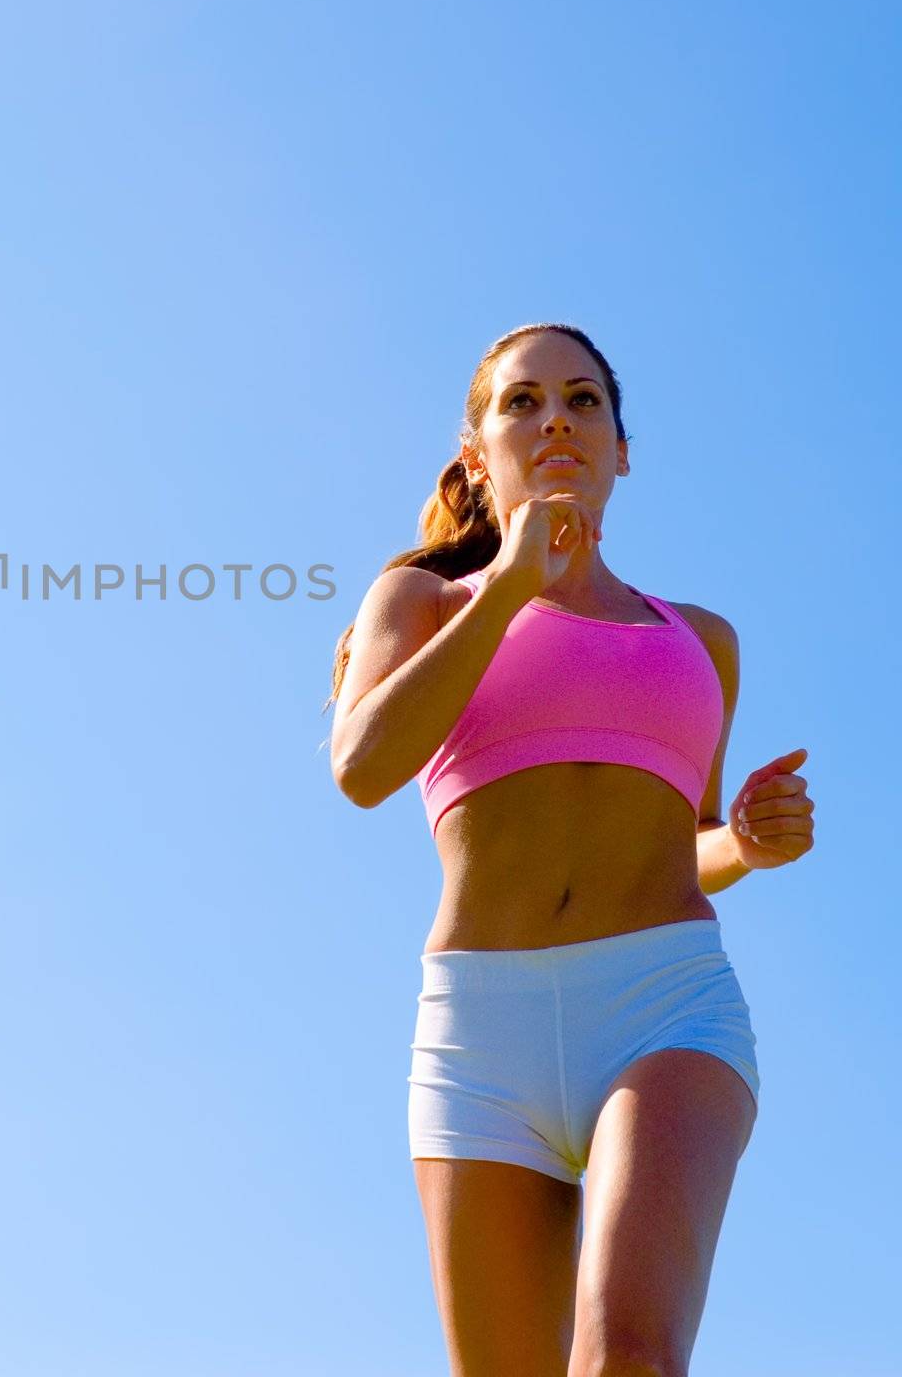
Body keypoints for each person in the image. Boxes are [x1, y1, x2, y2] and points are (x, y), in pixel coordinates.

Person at [323, 324, 815, 1377]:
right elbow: (361, 767)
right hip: (477, 1031)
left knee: (628, 1357)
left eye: (584, 400)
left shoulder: (700, 639)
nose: (555, 418)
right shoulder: (423, 603)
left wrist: (749, 842)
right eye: (522, 401)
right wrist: (508, 585)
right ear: (476, 452)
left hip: (664, 1003)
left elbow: (691, 846)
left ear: (620, 449)